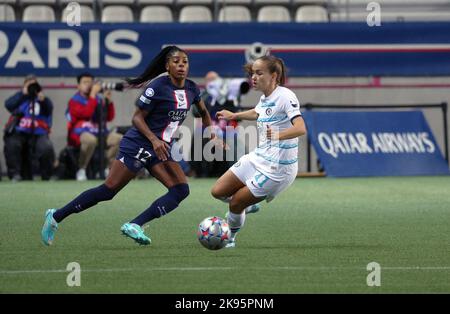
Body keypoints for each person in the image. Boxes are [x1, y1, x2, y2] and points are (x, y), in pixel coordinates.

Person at [41, 46, 218, 246]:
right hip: (139, 143)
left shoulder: (192, 89)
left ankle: (135, 225)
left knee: (180, 190)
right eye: (176, 62)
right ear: (167, 66)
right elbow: (136, 118)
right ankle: (56, 216)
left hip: (160, 148)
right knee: (109, 190)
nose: (181, 65)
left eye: (184, 62)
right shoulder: (157, 87)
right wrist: (154, 139)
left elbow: (203, 112)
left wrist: (211, 133)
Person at [210, 55, 307, 248]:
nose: (253, 77)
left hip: (277, 169)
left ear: (274, 76)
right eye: (252, 73)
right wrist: (234, 115)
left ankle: (230, 237)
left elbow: (301, 128)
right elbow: (258, 112)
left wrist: (277, 134)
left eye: (259, 73)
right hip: (258, 157)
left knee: (235, 204)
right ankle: (250, 204)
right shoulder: (265, 98)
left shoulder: (286, 96)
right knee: (217, 191)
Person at [67, 72, 122, 181]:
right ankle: (82, 169)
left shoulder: (98, 98)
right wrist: (92, 95)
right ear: (78, 86)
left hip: (99, 132)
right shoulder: (74, 100)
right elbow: (86, 114)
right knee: (90, 140)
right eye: (85, 82)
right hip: (81, 133)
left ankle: (106, 168)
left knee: (119, 139)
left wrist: (109, 102)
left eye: (90, 82)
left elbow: (109, 118)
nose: (88, 85)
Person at [3, 75, 55, 181]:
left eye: (34, 84)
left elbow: (49, 109)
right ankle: (15, 174)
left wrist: (42, 98)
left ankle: (46, 175)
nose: (32, 87)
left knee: (46, 147)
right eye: (29, 84)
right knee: (12, 144)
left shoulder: (42, 99)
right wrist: (23, 93)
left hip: (38, 133)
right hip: (19, 132)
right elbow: (8, 105)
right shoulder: (20, 97)